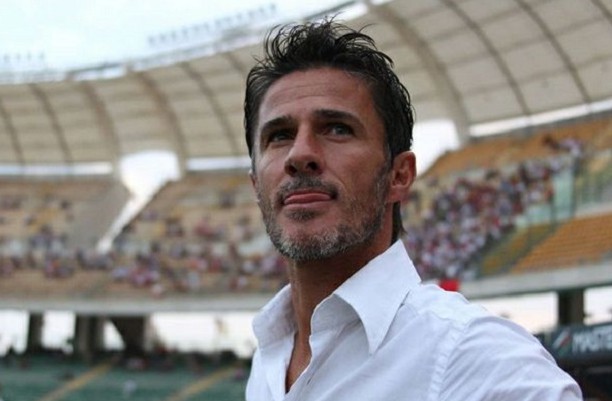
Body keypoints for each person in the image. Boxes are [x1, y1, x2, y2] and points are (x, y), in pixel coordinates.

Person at [243, 18, 582, 400]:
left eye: (337, 128)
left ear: (399, 175)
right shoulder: (268, 361)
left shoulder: (474, 357)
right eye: (279, 135)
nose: (300, 154)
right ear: (256, 185)